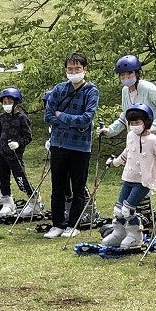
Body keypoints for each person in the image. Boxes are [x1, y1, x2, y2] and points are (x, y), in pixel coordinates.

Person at [103, 104, 156, 248]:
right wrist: (114, 162)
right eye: (131, 123)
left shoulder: (153, 140)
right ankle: (119, 233)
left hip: (143, 181)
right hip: (128, 178)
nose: (134, 126)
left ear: (146, 122)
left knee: (128, 210)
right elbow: (127, 153)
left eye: (137, 123)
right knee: (118, 210)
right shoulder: (130, 135)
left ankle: (135, 236)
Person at [42, 53, 99, 238]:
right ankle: (57, 223)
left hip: (80, 147)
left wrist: (62, 117)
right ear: (65, 70)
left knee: (78, 187)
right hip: (58, 144)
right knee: (57, 186)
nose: (73, 72)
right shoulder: (59, 89)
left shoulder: (91, 91)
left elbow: (85, 119)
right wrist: (68, 120)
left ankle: (73, 225)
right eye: (70, 69)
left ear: (85, 69)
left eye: (77, 69)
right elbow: (48, 115)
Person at [99, 55, 156, 143]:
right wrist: (109, 131)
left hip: (155, 139)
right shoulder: (125, 91)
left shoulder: (148, 88)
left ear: (137, 73)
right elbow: (125, 117)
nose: (126, 77)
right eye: (122, 75)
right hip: (134, 140)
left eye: (129, 73)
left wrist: (153, 127)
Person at [0, 88, 44, 216]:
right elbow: (1, 132)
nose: (7, 104)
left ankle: (34, 202)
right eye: (4, 101)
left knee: (21, 180)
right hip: (1, 153)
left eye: (9, 101)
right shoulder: (2, 117)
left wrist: (18, 143)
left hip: (15, 155)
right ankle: (8, 203)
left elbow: (28, 136)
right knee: (3, 179)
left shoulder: (22, 117)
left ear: (16, 102)